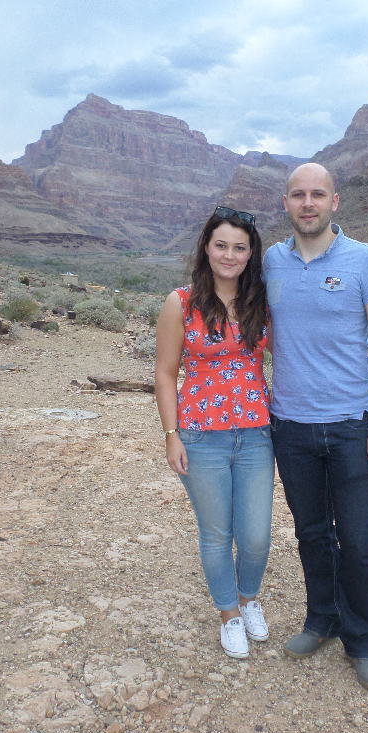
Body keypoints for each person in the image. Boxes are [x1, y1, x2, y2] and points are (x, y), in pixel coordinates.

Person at [265, 163, 368, 691]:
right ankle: (321, 619)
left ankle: (362, 643)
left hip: (351, 426)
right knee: (312, 533)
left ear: (334, 201)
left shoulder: (364, 260)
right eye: (298, 195)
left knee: (360, 541)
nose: (308, 203)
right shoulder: (271, 261)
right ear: (286, 203)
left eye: (317, 194)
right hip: (291, 426)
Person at [154, 206, 274, 660]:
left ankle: (249, 598)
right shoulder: (181, 302)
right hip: (201, 436)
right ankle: (229, 614)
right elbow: (165, 373)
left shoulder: (260, 302)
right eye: (221, 245)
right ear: (206, 247)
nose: (229, 255)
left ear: (250, 254)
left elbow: (288, 354)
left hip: (256, 433)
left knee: (256, 534)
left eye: (239, 248)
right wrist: (171, 434)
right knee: (217, 532)